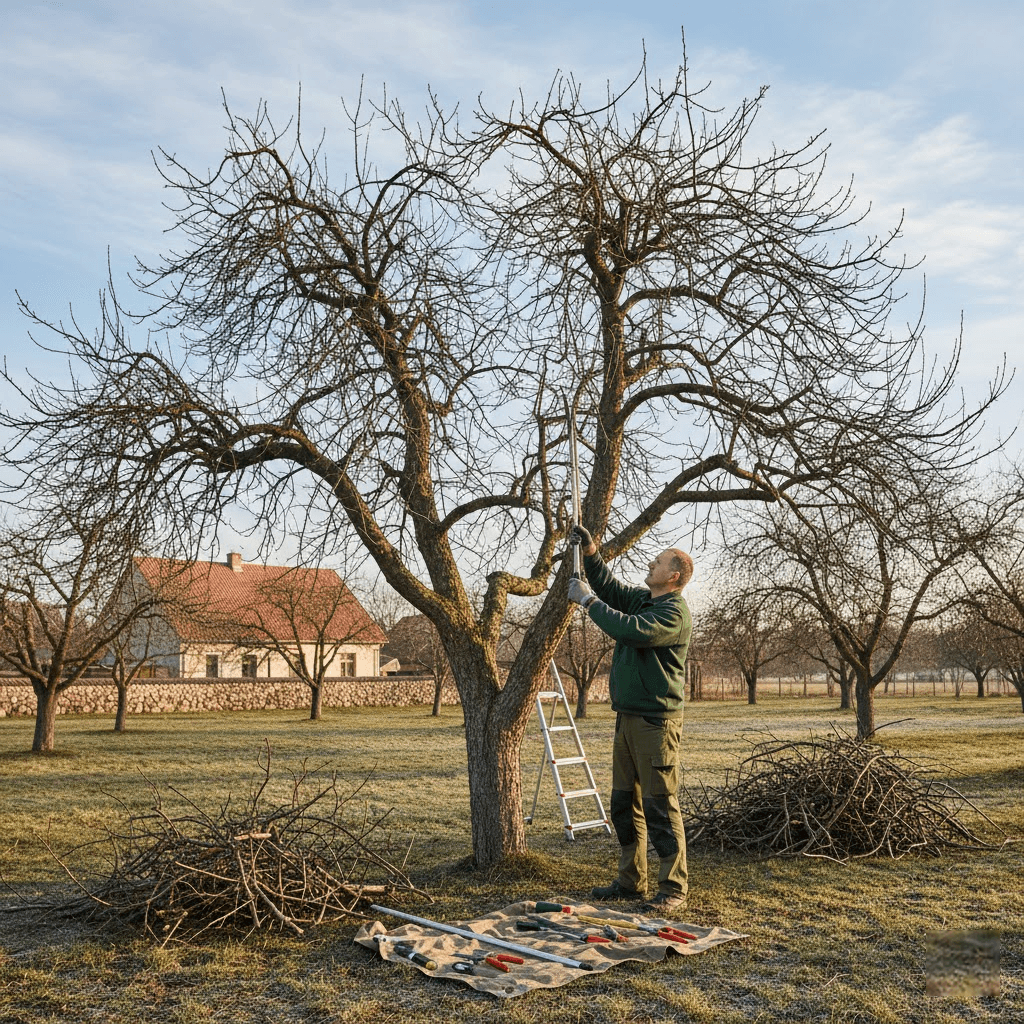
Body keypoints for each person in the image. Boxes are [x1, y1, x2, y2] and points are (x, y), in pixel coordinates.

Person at [567, 525, 693, 914]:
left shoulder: (673, 613)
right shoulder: (644, 600)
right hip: (626, 718)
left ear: (673, 576)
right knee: (623, 803)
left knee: (659, 805)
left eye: (658, 562)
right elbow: (611, 588)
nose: (651, 564)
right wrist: (590, 552)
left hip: (656, 724)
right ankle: (630, 880)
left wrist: (587, 602)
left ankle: (673, 887)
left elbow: (631, 630)